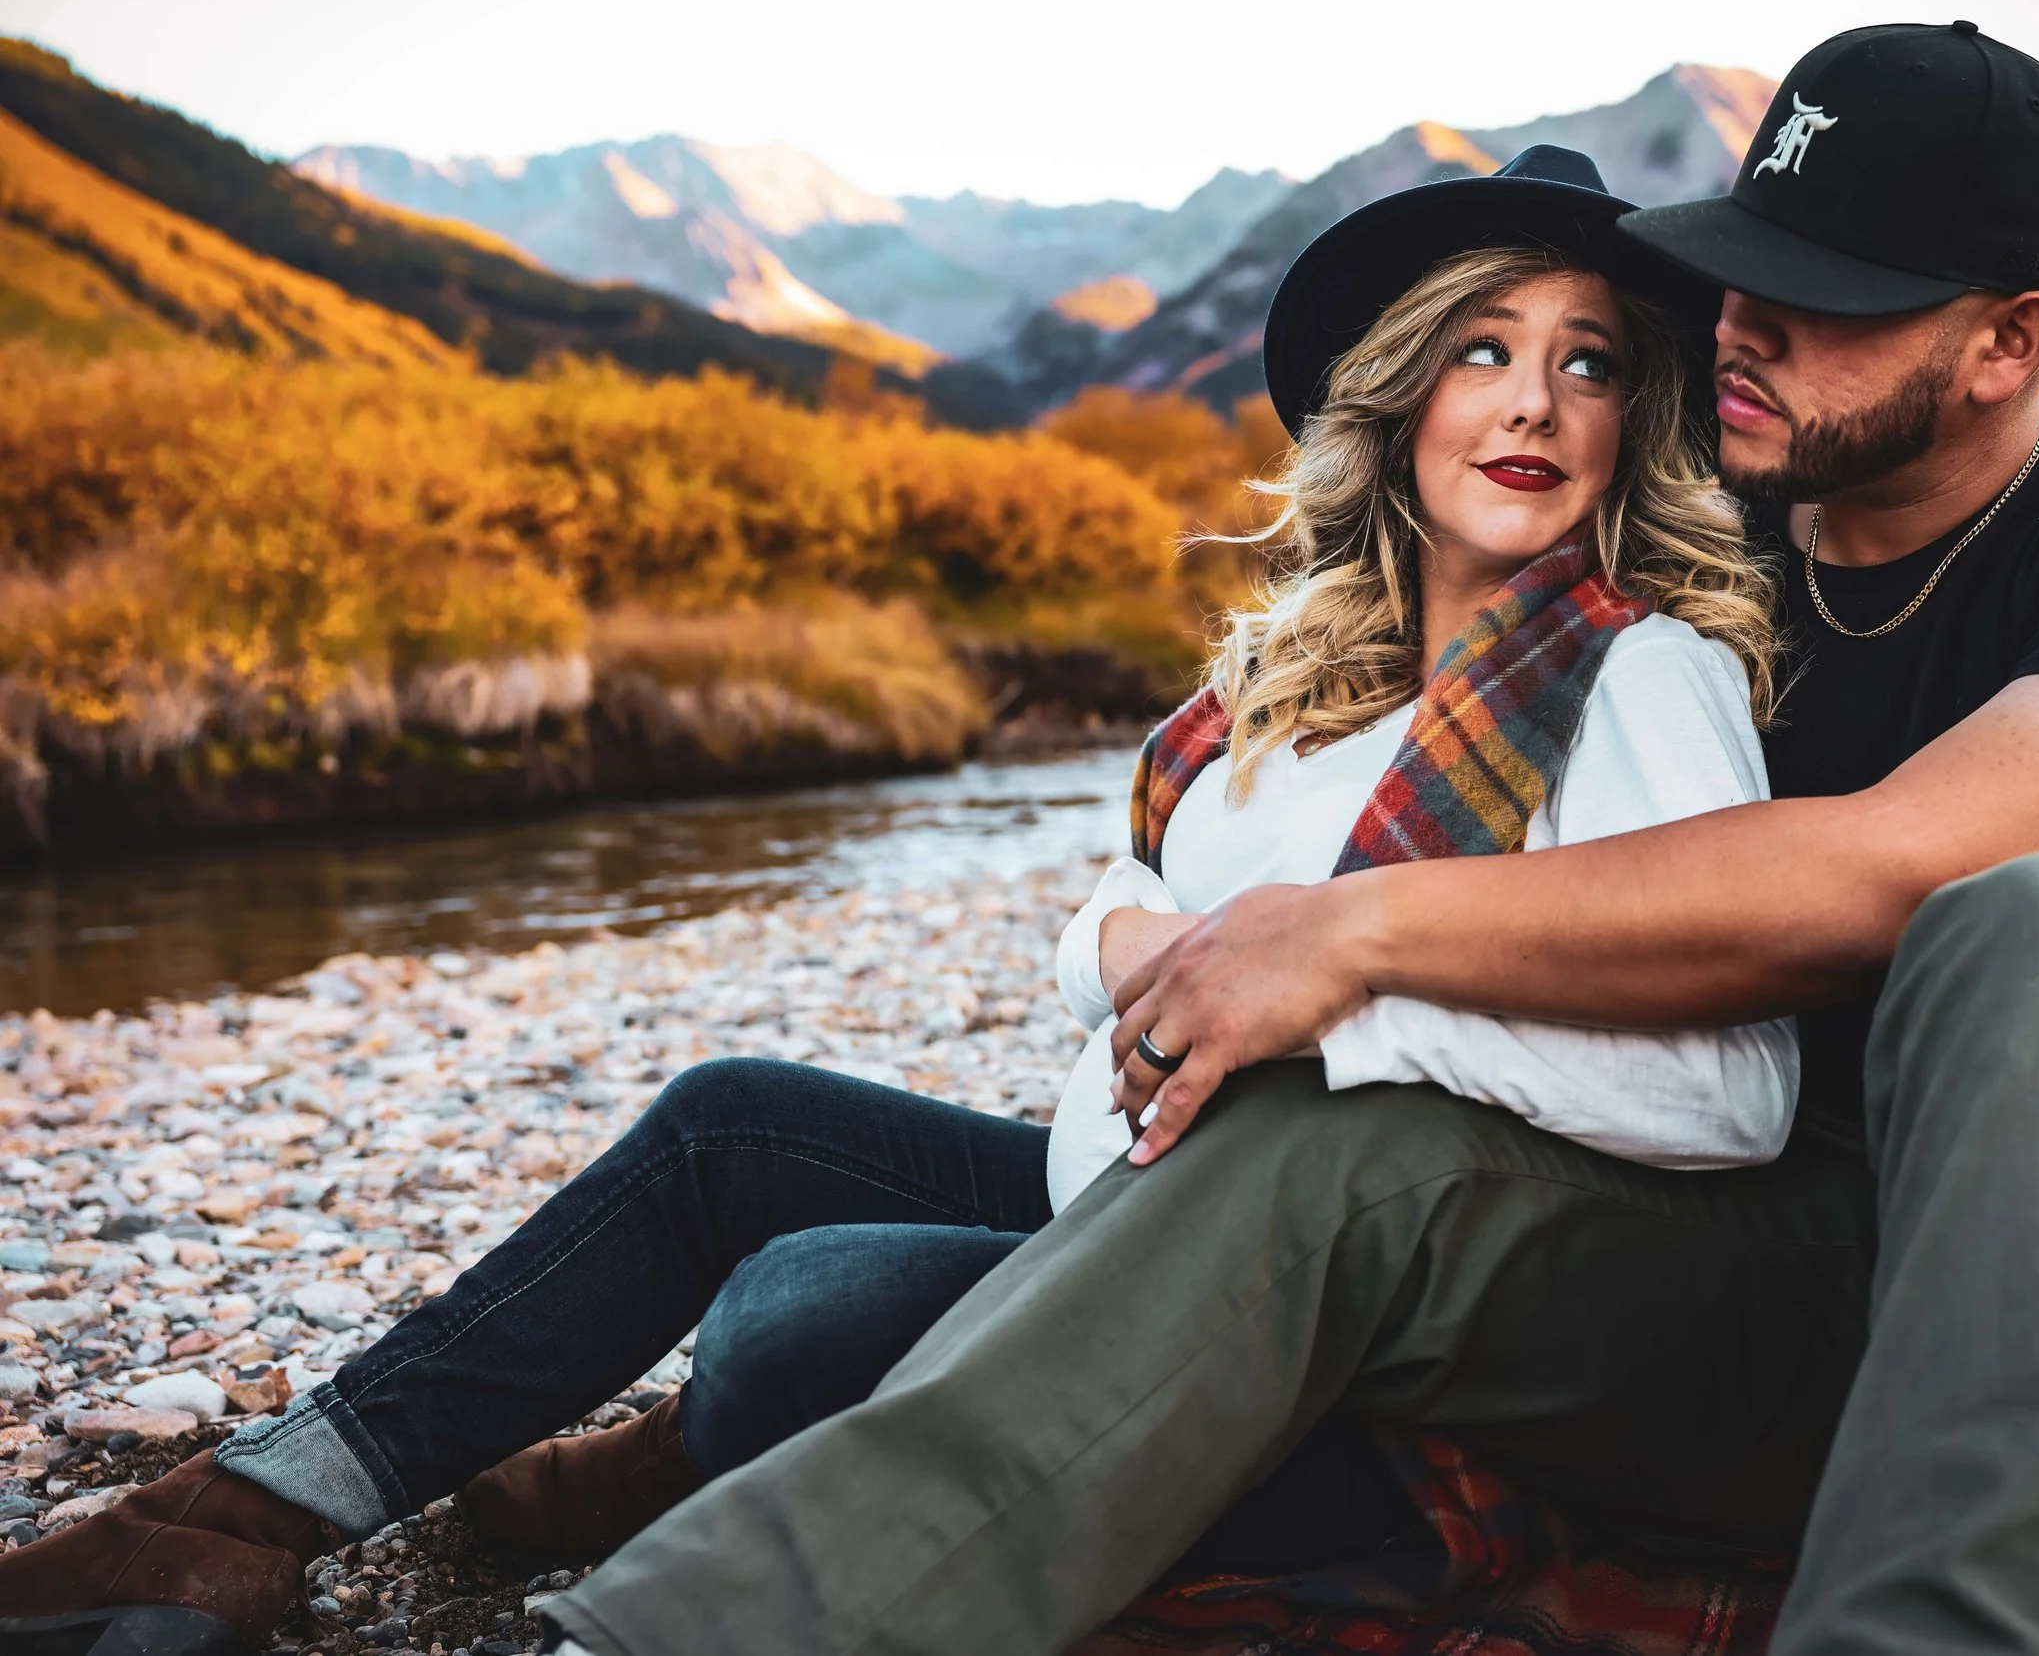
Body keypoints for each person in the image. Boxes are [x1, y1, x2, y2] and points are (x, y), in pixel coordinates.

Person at [499, 23, 2039, 1656]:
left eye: (1827, 303)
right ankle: (669, 1623)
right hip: (1822, 1305)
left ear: (2005, 340)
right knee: (1313, 1141)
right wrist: (1234, 944)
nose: (1743, 331)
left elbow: (1911, 868)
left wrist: (1359, 934)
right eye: (1739, 272)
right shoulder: (1704, 591)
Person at [0, 147, 1801, 1656]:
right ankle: (240, 1508)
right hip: (1107, 1180)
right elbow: (1135, 889)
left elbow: (1731, 1092)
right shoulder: (1297, 677)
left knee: (797, 1319)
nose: (1535, 402)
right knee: (731, 1125)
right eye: (1485, 347)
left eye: (1586, 363)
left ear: (1633, 417)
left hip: (1301, 1298)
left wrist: (1342, 986)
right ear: (1400, 393)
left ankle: (665, 1462)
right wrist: (1124, 947)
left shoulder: (1638, 678)